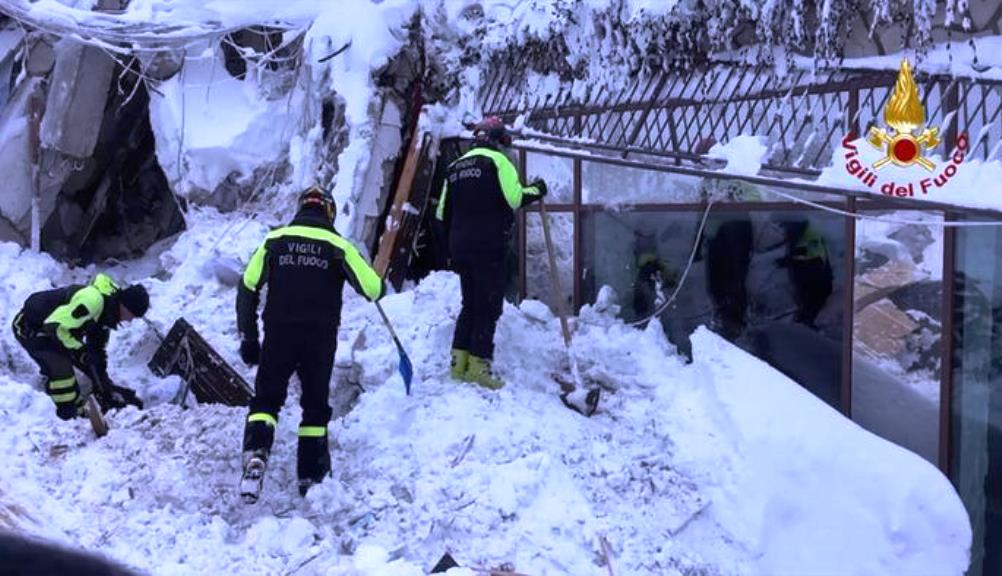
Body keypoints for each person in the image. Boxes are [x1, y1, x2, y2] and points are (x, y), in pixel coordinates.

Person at [236, 185, 384, 501]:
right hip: (319, 338)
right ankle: (311, 479)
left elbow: (248, 286)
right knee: (315, 407)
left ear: (300, 208)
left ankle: (257, 452)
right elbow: (372, 288)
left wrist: (249, 335)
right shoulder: (337, 244)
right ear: (329, 211)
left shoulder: (274, 241)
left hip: (279, 332)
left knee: (266, 400)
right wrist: (376, 287)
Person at [435, 116, 546, 390]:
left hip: (460, 247)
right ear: (498, 140)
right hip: (489, 247)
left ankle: (458, 363)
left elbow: (441, 214)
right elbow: (516, 198)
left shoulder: (455, 167)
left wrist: (450, 248)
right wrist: (539, 189)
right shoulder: (498, 162)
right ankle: (479, 365)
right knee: (488, 306)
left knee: (469, 304)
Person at [11, 273, 148, 420]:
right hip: (31, 327)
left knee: (87, 361)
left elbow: (96, 352)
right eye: (131, 315)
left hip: (59, 330)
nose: (130, 320)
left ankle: (81, 399)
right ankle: (68, 412)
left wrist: (106, 387)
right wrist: (80, 350)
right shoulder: (92, 302)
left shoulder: (107, 313)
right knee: (61, 366)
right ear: (124, 305)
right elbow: (54, 327)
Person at [776, 220, 833, 327]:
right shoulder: (802, 231)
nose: (783, 230)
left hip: (814, 274)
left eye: (784, 226)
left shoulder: (810, 233)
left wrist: (790, 260)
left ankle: (804, 325)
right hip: (813, 274)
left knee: (808, 304)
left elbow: (812, 255)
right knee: (807, 304)